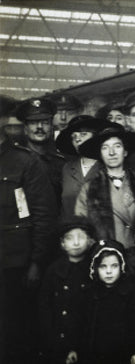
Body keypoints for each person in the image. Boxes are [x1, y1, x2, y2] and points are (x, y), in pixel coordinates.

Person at [1, 95, 57, 364]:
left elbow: (44, 216)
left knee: (17, 331)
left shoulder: (24, 161)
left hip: (16, 264)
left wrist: (36, 262)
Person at [75, 123, 135, 248]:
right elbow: (81, 226)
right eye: (105, 148)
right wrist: (99, 250)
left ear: (125, 151)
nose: (112, 153)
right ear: (100, 154)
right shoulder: (90, 189)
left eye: (117, 146)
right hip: (105, 260)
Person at [38, 216, 95, 364]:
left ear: (89, 241)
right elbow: (45, 306)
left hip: (86, 339)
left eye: (81, 237)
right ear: (62, 243)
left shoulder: (94, 269)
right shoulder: (53, 270)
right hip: (60, 337)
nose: (76, 243)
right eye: (70, 238)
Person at [82, 239, 135, 364]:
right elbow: (84, 329)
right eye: (103, 266)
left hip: (122, 354)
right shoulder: (91, 294)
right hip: (96, 355)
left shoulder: (129, 294)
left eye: (114, 266)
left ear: (122, 266)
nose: (109, 271)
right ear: (95, 268)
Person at [15, 97, 67, 210]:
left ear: (52, 128)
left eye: (45, 122)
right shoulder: (16, 162)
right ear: (25, 128)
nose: (40, 127)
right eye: (33, 123)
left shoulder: (61, 163)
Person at [55, 115, 105, 218]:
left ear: (95, 137)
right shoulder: (67, 168)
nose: (78, 139)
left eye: (83, 134)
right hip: (73, 230)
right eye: (74, 137)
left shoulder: (106, 166)